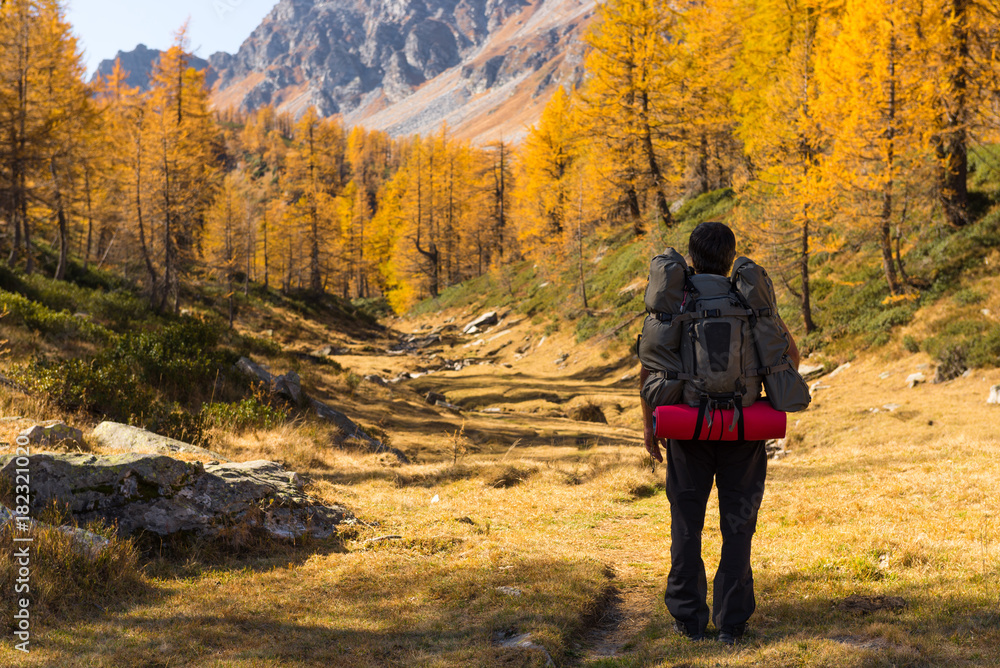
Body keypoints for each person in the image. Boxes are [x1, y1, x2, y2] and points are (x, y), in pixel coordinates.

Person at [640, 222, 800, 645]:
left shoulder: (677, 298)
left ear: (691, 257)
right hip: (743, 433)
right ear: (732, 256)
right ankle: (733, 623)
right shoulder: (748, 298)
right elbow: (790, 353)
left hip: (688, 431)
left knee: (686, 524)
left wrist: (648, 426)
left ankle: (688, 620)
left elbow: (650, 363)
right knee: (738, 525)